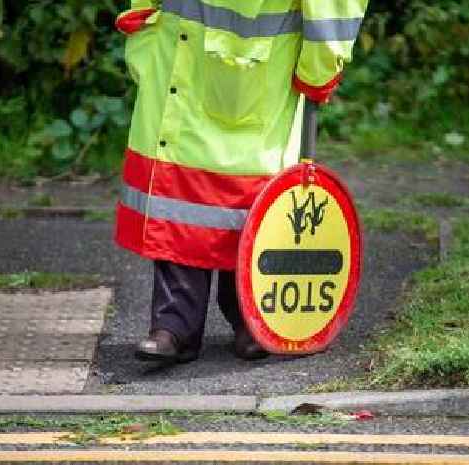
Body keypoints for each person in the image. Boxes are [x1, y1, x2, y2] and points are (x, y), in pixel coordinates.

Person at [114, 0, 369, 362]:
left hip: (254, 75)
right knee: (176, 204)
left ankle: (253, 319)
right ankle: (174, 327)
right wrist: (143, 25)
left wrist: (319, 67)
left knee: (247, 204)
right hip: (175, 57)